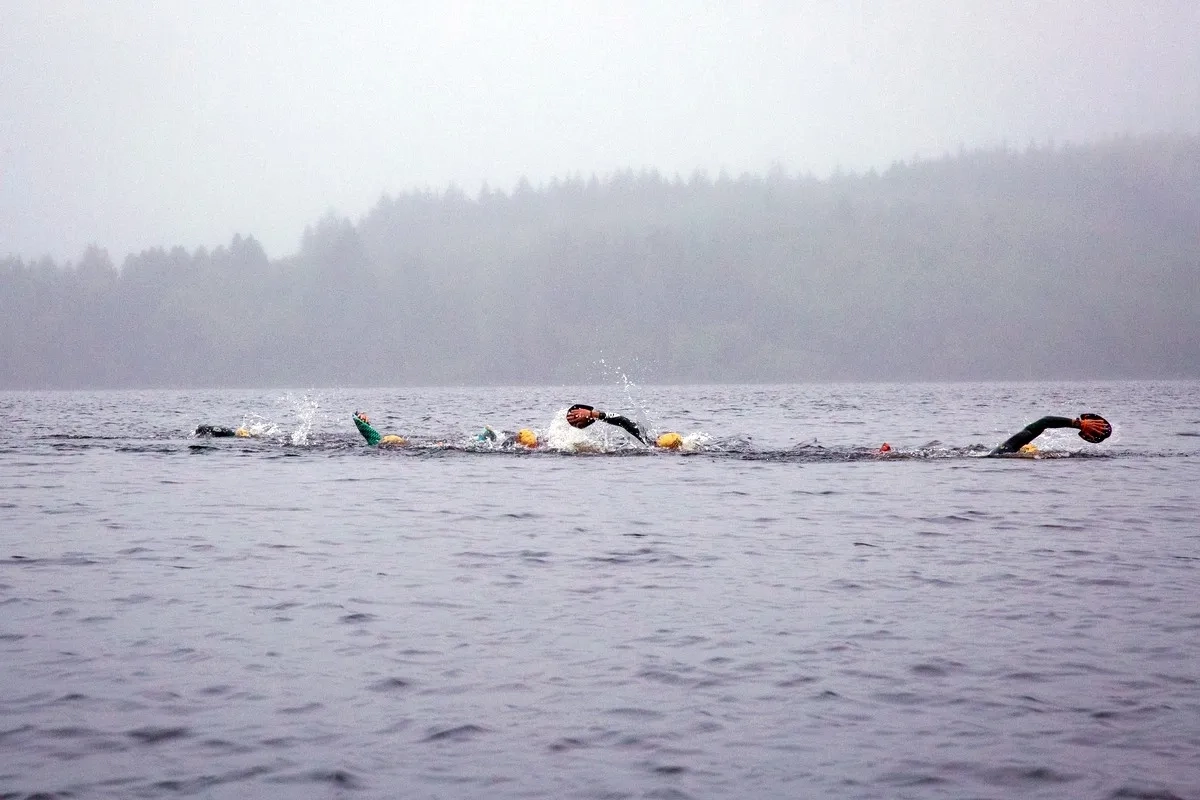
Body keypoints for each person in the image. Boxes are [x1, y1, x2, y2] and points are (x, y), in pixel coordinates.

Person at [565, 404, 685, 449]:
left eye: (660, 437)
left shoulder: (646, 442)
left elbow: (622, 420)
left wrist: (593, 414)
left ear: (659, 442)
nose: (658, 435)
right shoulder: (653, 446)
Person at [989, 413, 1111, 456]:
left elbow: (1045, 421)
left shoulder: (1006, 449)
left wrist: (1079, 424)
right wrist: (1080, 425)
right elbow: (1045, 421)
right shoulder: (1006, 450)